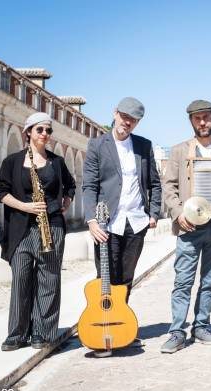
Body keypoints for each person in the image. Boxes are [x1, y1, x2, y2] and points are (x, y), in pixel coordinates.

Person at [0, 112, 75, 351]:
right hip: (21, 227)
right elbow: (2, 192)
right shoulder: (12, 161)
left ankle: (42, 332)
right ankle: (17, 333)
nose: (45, 135)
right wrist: (26, 206)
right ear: (28, 131)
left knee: (49, 279)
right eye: (40, 129)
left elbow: (70, 185)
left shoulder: (56, 162)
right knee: (20, 279)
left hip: (51, 226)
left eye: (48, 130)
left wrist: (66, 202)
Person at [160, 100, 211, 353]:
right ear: (191, 121)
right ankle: (177, 331)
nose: (203, 122)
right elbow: (168, 186)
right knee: (183, 281)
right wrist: (178, 212)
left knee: (210, 281)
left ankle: (201, 326)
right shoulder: (180, 150)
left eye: (207, 117)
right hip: (189, 227)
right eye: (197, 118)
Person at [83, 97, 162, 302]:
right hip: (106, 223)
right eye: (124, 117)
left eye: (133, 120)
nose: (127, 123)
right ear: (115, 113)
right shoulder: (97, 145)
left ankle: (121, 326)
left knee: (127, 278)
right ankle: (103, 326)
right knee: (106, 279)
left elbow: (154, 183)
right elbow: (89, 186)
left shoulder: (144, 146)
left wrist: (153, 213)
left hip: (136, 222)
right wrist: (92, 220)